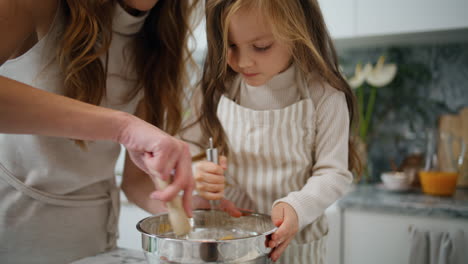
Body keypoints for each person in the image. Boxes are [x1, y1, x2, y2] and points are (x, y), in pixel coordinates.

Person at [0, 0, 199, 263]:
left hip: (96, 246)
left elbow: (136, 180)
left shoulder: (159, 32)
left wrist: (186, 212)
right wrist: (123, 127)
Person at [180, 0, 360, 263]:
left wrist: (297, 208)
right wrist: (197, 171)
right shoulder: (214, 91)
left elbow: (333, 173)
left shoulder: (325, 95)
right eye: (230, 46)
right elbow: (186, 150)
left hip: (298, 248)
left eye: (261, 46)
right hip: (229, 244)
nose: (243, 61)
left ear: (299, 32)